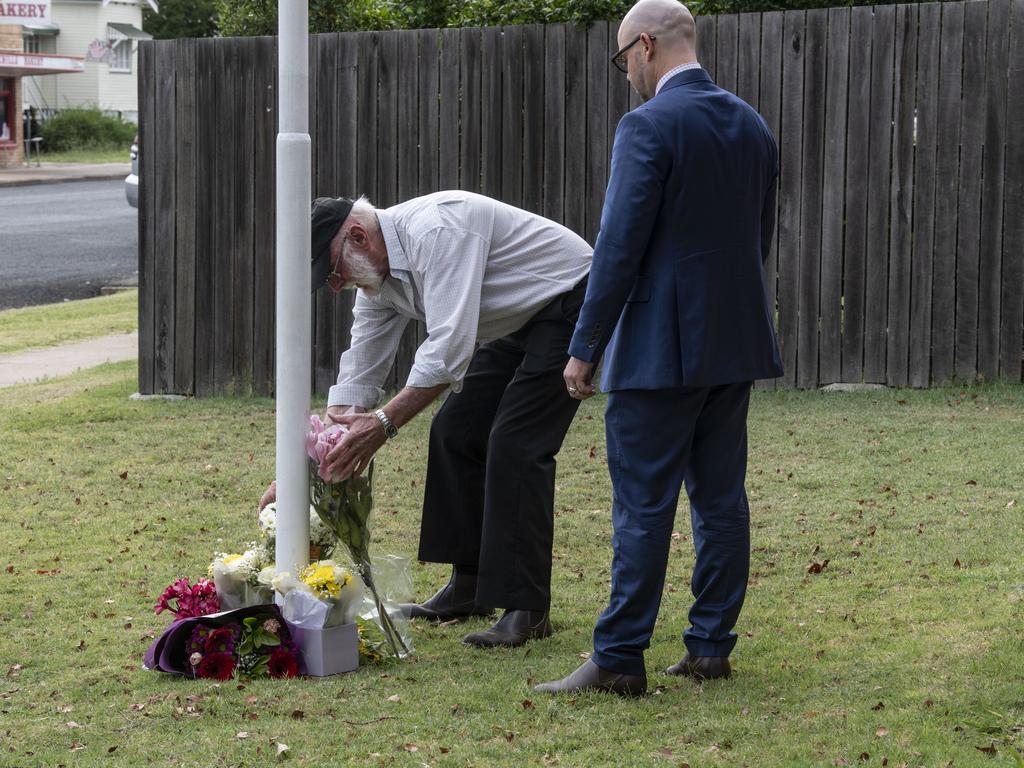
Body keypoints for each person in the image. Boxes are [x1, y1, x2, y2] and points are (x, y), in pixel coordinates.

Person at [535, 0, 783, 697]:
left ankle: (617, 657)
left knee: (642, 505)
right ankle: (710, 646)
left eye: (623, 61)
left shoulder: (647, 125)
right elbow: (753, 240)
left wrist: (584, 347)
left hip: (657, 348)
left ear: (645, 46)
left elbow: (619, 247)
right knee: (721, 497)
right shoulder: (753, 126)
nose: (626, 77)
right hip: (731, 342)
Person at [265, 191, 592, 648]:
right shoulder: (378, 278)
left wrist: (383, 425)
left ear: (357, 236)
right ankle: (470, 587)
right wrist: (306, 465)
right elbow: (360, 369)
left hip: (570, 301)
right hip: (516, 319)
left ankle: (527, 609)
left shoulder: (437, 231)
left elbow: (449, 350)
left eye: (333, 271)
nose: (336, 285)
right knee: (454, 431)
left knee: (516, 443)